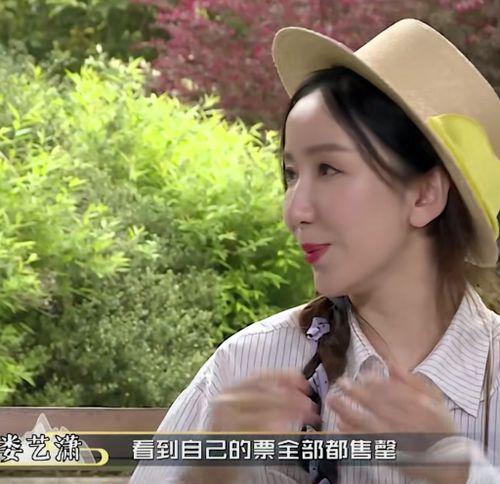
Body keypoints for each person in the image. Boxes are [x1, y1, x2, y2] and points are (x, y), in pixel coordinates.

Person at [130, 18, 500, 483]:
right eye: (291, 174)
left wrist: (461, 473)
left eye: (328, 169)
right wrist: (210, 469)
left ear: (424, 195)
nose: (295, 211)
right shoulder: (248, 362)